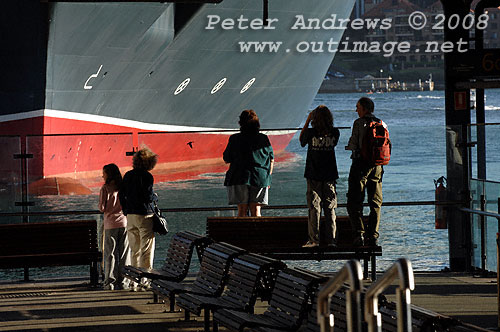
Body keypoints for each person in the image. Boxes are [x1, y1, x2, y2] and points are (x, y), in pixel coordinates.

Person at [345, 97, 385, 246]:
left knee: (355, 201)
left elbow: (353, 144)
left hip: (360, 165)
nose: (356, 110)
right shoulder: (381, 122)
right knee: (375, 202)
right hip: (377, 166)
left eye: (358, 107)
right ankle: (373, 235)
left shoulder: (358, 123)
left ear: (364, 108)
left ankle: (359, 234)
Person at [299, 105, 340, 248]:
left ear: (314, 118)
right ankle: (331, 240)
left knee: (314, 207)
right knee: (330, 208)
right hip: (329, 174)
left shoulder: (311, 133)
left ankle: (314, 240)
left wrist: (307, 120)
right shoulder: (335, 132)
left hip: (313, 173)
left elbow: (301, 141)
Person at [118, 146, 158, 290]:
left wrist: (126, 209)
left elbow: (121, 195)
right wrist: (155, 197)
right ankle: (145, 281)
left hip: (131, 216)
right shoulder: (147, 177)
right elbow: (148, 197)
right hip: (144, 216)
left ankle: (133, 281)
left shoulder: (128, 175)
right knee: (146, 249)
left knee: (134, 250)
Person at [223, 110, 274, 217]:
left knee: (241, 210)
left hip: (239, 176)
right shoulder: (263, 138)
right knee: (256, 210)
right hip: (260, 177)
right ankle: (257, 233)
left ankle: (243, 233)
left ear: (240, 123)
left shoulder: (234, 138)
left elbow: (227, 158)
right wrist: (268, 178)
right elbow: (271, 159)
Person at [98, 163, 130, 290]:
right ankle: (124, 282)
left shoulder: (105, 188)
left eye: (104, 173)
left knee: (109, 254)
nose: (102, 175)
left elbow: (101, 208)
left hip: (110, 225)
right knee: (124, 253)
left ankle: (110, 282)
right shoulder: (123, 187)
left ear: (108, 174)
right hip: (124, 223)